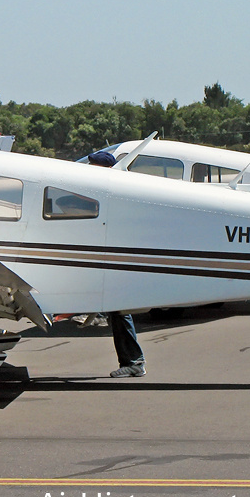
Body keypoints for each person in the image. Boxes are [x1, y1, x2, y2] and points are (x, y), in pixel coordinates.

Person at [87, 150, 147, 378]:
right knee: (119, 310)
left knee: (121, 310)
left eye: (93, 165)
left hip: (119, 260)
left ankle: (134, 362)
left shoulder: (112, 191)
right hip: (115, 258)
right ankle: (133, 360)